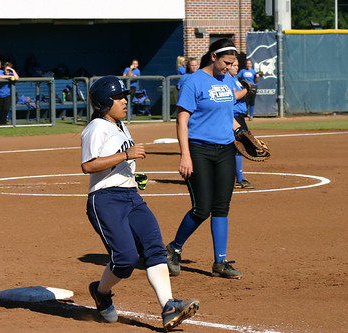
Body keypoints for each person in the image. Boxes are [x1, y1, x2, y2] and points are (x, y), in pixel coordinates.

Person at [81, 75, 199, 331]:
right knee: (125, 259)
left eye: (125, 97)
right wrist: (126, 154)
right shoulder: (96, 128)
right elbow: (88, 165)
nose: (125, 101)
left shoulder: (122, 126)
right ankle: (101, 293)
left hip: (131, 196)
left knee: (155, 249)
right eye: (119, 97)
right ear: (104, 102)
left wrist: (133, 175)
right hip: (106, 200)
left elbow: (117, 163)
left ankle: (169, 306)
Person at [165, 39, 243, 279]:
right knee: (202, 208)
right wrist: (185, 155)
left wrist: (243, 134)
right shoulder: (194, 81)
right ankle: (173, 249)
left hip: (225, 150)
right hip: (199, 150)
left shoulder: (227, 80)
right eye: (226, 63)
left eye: (232, 64)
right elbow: (182, 119)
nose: (229, 68)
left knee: (221, 207)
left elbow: (227, 113)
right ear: (213, 57)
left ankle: (220, 262)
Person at [229, 59, 255, 189]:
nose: (236, 68)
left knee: (239, 146)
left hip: (239, 116)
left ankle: (238, 177)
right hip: (233, 117)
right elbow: (234, 95)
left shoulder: (235, 79)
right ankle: (239, 178)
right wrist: (247, 89)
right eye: (233, 65)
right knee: (237, 146)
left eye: (237, 65)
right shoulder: (227, 79)